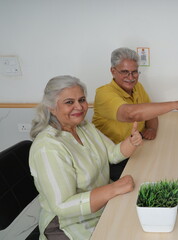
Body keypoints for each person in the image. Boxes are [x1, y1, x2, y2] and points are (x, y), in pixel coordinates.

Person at [29, 75, 142, 240]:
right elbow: (63, 205)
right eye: (69, 102)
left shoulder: (84, 127)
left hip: (103, 206)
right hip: (69, 224)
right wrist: (114, 189)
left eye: (81, 100)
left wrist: (131, 142)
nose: (79, 107)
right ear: (52, 107)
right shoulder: (47, 148)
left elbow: (111, 154)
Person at [92, 47, 178, 180]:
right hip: (114, 157)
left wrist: (151, 128)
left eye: (134, 72)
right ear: (113, 71)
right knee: (151, 179)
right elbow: (131, 114)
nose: (131, 77)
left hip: (137, 148)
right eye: (125, 72)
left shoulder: (137, 87)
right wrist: (175, 105)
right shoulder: (103, 93)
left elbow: (150, 113)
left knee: (174, 163)